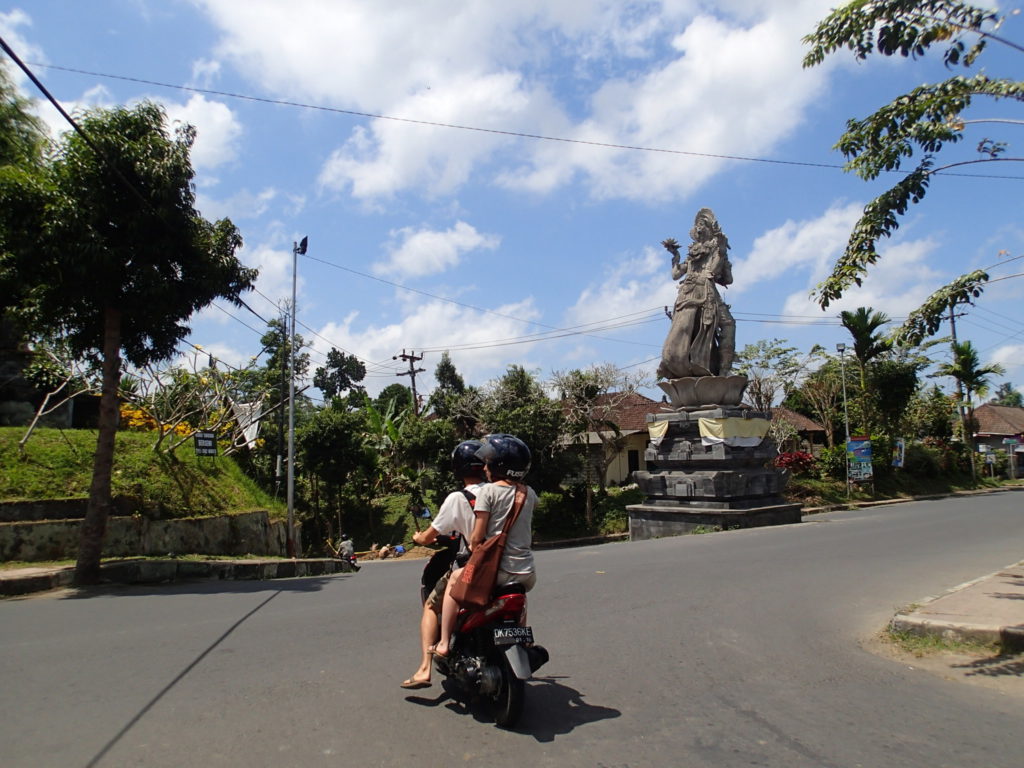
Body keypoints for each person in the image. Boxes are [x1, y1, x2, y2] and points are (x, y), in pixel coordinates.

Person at [431, 433, 536, 660]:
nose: (485, 466)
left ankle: (443, 643)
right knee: (518, 594)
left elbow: (477, 538)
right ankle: (523, 639)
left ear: (498, 465)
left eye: (489, 462)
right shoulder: (530, 493)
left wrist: (473, 548)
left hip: (497, 571)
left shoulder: (488, 491)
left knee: (454, 581)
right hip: (527, 572)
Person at [400, 439, 486, 689]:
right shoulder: (501, 493)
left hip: (470, 567)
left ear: (458, 469)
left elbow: (429, 535)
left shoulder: (458, 499)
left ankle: (425, 667)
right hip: (503, 565)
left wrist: (418, 538)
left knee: (430, 605)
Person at [658, 207, 736, 379]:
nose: (700, 229)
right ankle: (724, 370)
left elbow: (676, 274)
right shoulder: (711, 250)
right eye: (699, 226)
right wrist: (722, 253)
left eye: (702, 226)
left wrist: (676, 257)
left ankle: (712, 367)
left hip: (687, 293)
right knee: (728, 323)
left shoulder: (696, 252)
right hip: (704, 292)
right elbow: (718, 275)